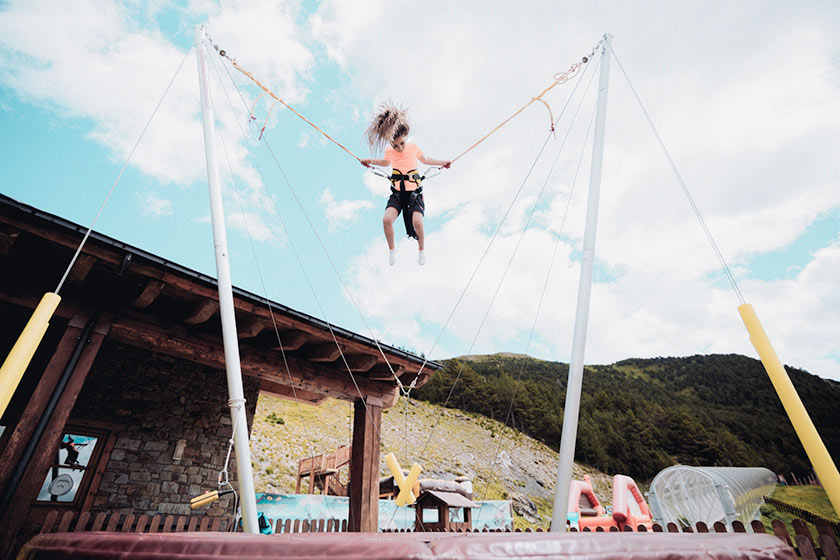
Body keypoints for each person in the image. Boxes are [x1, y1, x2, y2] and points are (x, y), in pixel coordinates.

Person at [360, 101, 450, 265]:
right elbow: (385, 163)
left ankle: (421, 250)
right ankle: (392, 250)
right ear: (390, 144)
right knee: (386, 220)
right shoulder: (390, 151)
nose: (400, 148)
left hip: (414, 194)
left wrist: (443, 163)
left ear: (406, 139)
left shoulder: (412, 148)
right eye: (395, 146)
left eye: (402, 143)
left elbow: (426, 159)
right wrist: (368, 161)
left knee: (417, 222)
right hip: (398, 195)